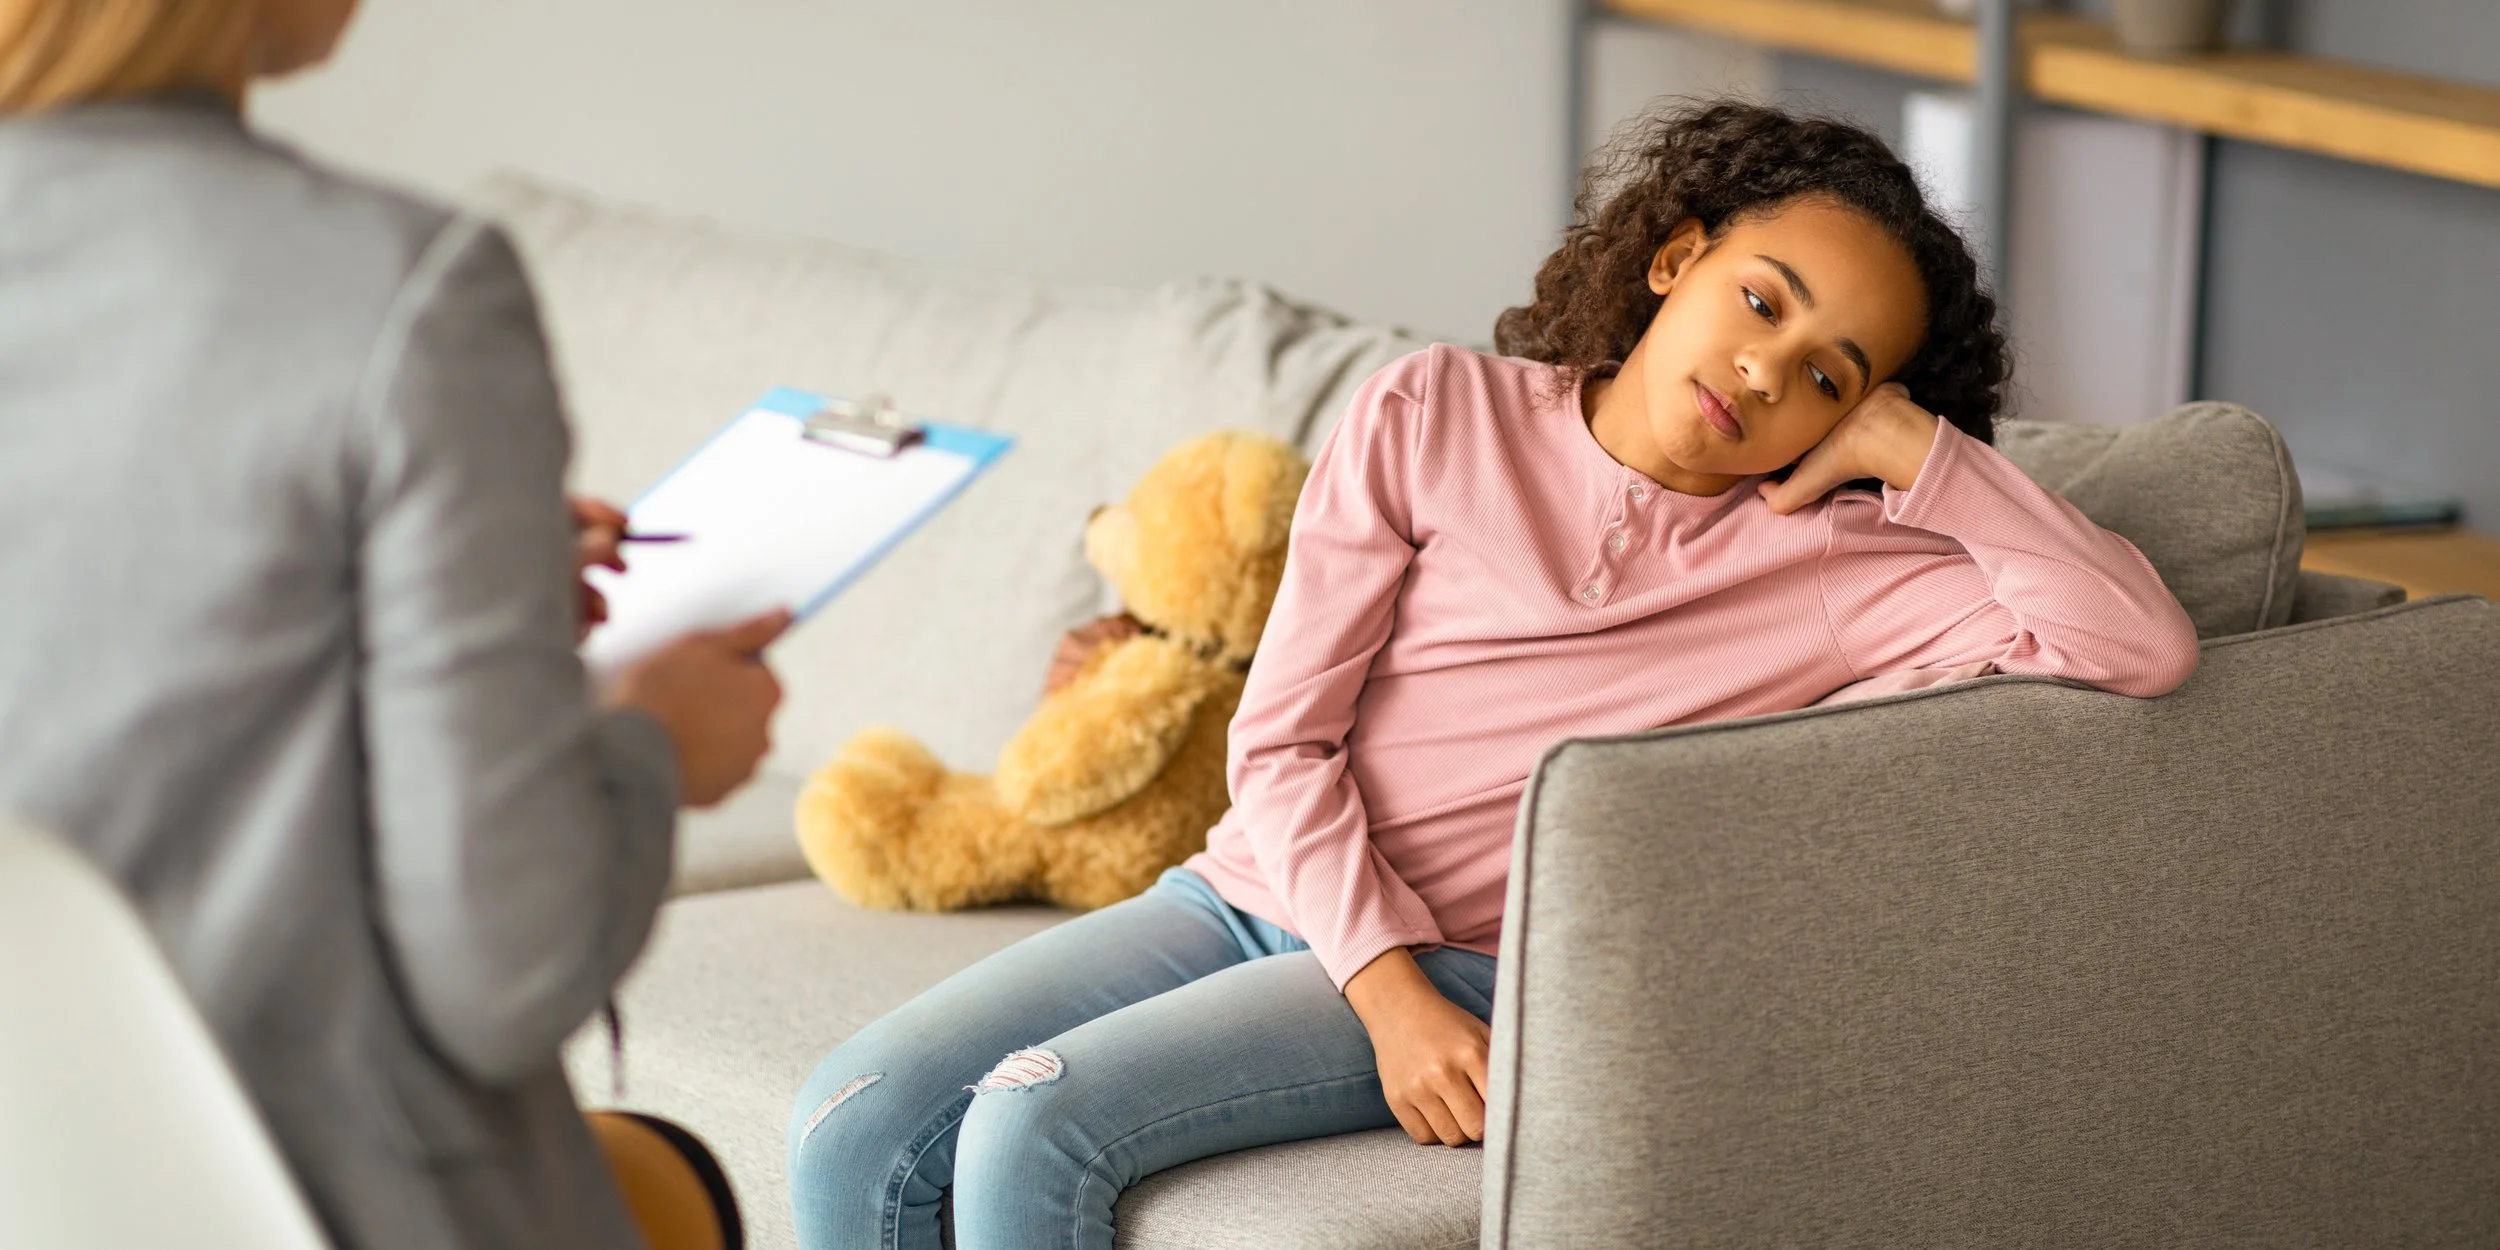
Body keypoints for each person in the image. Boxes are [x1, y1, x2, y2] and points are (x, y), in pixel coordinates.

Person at [784, 99, 2202, 1250]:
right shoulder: (1432, 410)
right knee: (853, 1115)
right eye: (1761, 301)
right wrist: (1380, 987)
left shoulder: (1836, 567)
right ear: (1676, 258)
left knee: (1036, 1120)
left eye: (1834, 376)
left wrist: (1918, 455)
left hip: (1481, 965)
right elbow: (1279, 746)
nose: (1770, 371)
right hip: (1253, 899)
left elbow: (2138, 644)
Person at [0, 2, 786, 1247]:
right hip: (305, 1190)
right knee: (679, 1192)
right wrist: (652, 745)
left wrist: (479, 584)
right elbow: (504, 974)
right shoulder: (399, 288)